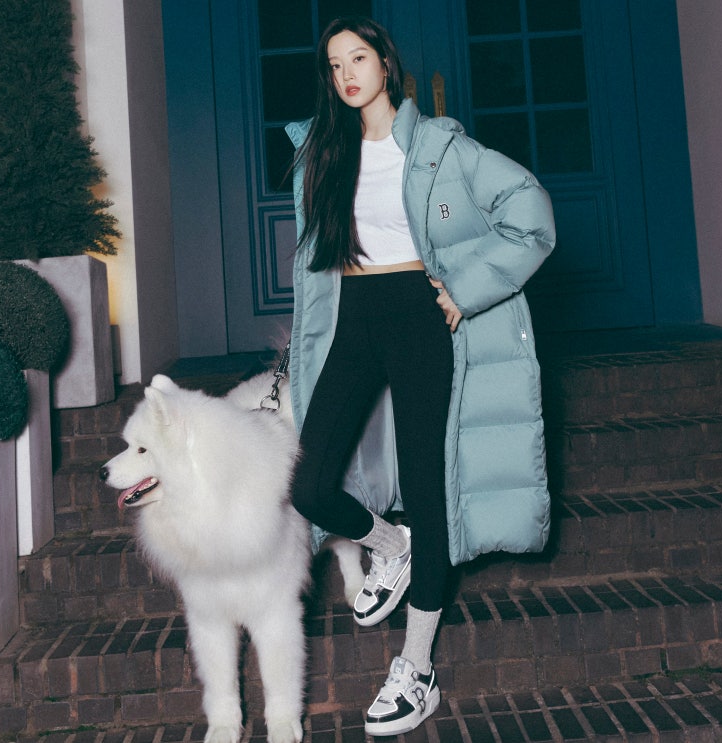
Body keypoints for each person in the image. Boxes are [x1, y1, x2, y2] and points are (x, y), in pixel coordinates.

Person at [285, 15, 555, 737]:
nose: (346, 74)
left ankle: (417, 668)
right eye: (335, 64)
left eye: (358, 58)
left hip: (419, 319)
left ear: (385, 64)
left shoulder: (438, 146)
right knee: (308, 485)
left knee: (430, 492)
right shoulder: (324, 151)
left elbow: (530, 212)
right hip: (355, 321)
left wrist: (465, 288)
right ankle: (390, 545)